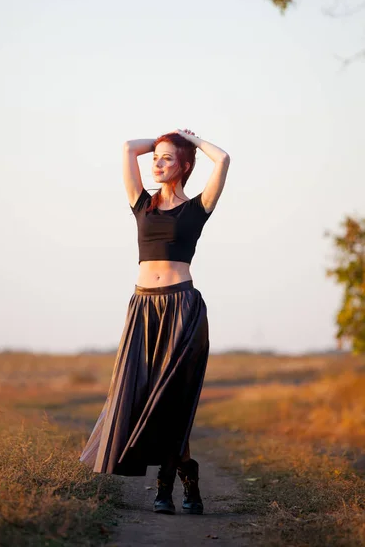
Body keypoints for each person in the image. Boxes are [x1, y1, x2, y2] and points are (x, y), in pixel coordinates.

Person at [79, 128, 230, 515]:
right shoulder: (140, 203)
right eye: (156, 158)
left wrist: (191, 141)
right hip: (143, 308)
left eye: (166, 158)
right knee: (140, 394)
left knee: (172, 402)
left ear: (184, 166)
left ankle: (167, 486)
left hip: (183, 308)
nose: (157, 163)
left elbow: (224, 160)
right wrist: (166, 138)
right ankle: (183, 478)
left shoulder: (198, 208)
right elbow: (129, 148)